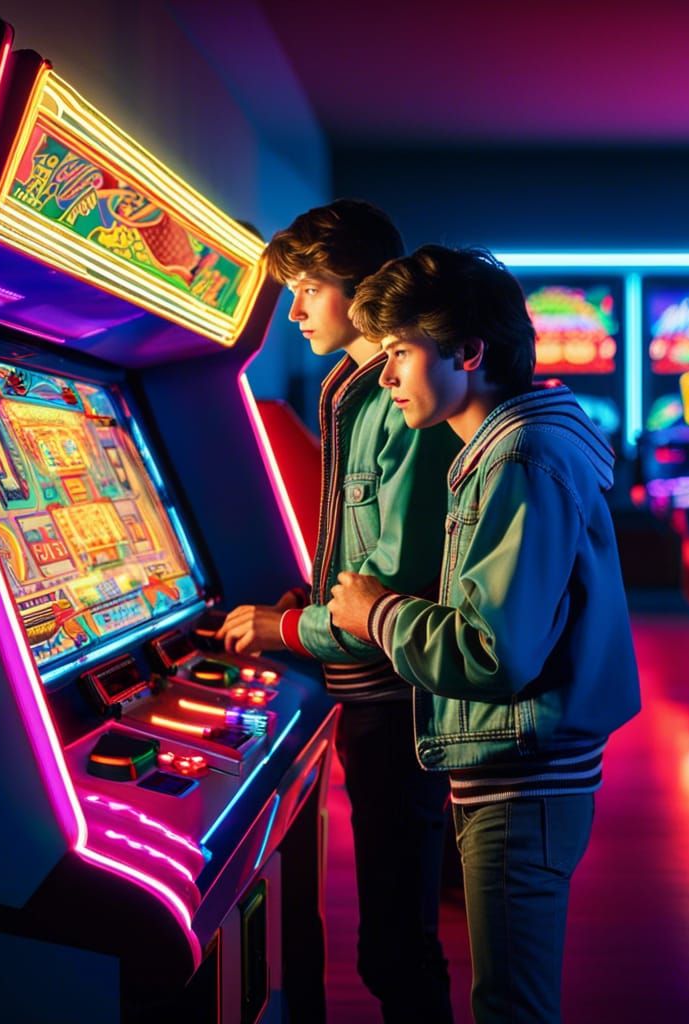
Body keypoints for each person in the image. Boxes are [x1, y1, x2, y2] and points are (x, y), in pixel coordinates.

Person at [328, 245, 641, 1023]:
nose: (389, 375)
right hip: (518, 766)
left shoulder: (520, 458)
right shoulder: (506, 447)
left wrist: (376, 612)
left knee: (512, 1007)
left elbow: (494, 652)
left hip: (524, 773)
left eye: (401, 352)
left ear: (468, 351)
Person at [217, 202, 460, 1023]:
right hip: (365, 686)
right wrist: (305, 603)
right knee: (385, 937)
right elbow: (357, 555)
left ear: (358, 293)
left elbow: (393, 587)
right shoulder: (354, 388)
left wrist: (287, 629)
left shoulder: (399, 399)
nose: (294, 310)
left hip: (397, 693)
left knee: (397, 944)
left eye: (307, 289)